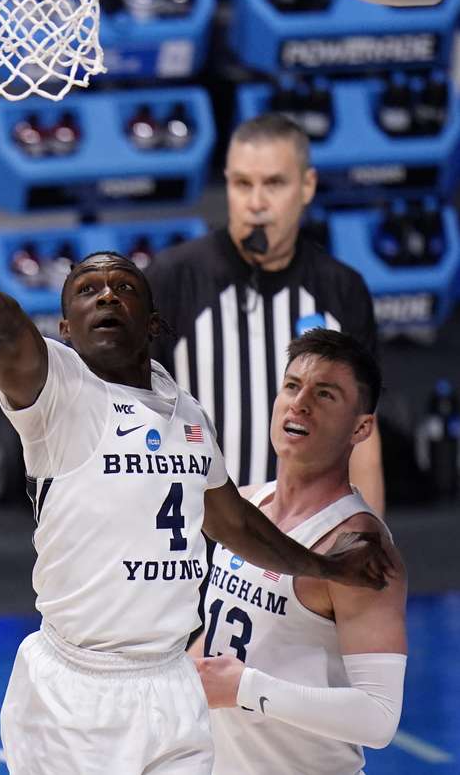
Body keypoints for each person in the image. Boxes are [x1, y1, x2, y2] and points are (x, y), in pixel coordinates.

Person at [0, 204, 396, 774]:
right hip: (76, 690)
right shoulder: (57, 391)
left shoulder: (188, 413)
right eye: (88, 288)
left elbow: (234, 524)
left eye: (123, 287)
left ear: (151, 322)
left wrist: (327, 568)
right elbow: (1, 320)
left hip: (172, 679)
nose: (106, 295)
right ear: (65, 328)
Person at [145, 114, 384, 514]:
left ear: (307, 186)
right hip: (193, 541)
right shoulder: (173, 279)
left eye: (273, 184)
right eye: (242, 184)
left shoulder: (341, 291)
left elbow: (362, 440)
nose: (256, 203)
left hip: (303, 543)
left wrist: (368, 551)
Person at [193, 329, 407, 775]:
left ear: (360, 427)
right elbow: (224, 645)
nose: (300, 402)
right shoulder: (246, 506)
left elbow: (380, 717)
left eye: (324, 394)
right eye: (292, 386)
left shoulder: (358, 549)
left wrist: (244, 688)